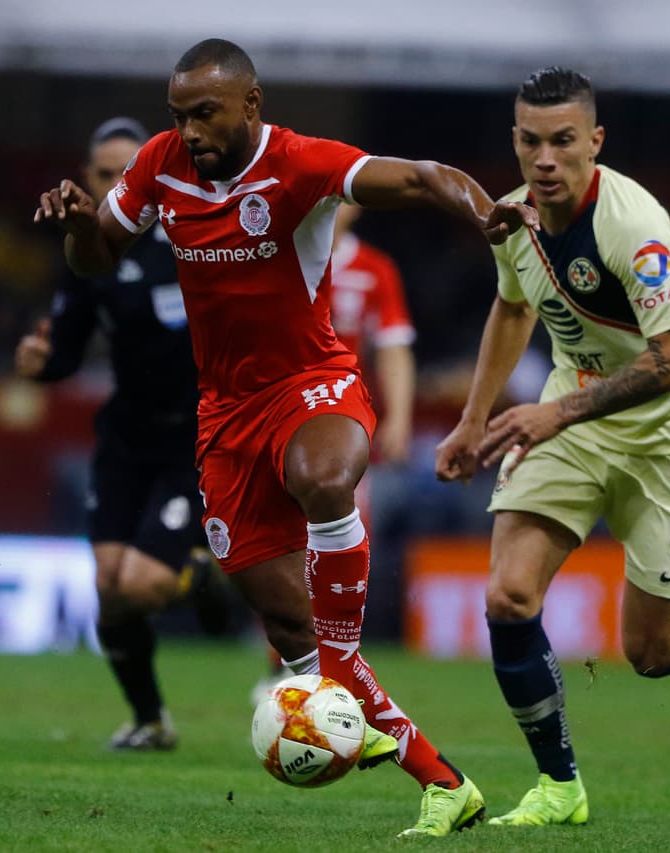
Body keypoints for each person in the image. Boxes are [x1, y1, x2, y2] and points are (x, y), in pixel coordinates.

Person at [32, 38, 536, 838]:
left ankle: (340, 655)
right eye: (180, 115)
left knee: (326, 478)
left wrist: (487, 214)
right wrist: (78, 224)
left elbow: (420, 176)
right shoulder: (160, 164)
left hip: (312, 382)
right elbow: (98, 258)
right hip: (223, 419)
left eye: (205, 113)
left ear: (250, 104)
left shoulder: (299, 162)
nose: (190, 130)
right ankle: (446, 784)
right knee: (296, 636)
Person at [434, 67, 670, 827]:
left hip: (662, 437)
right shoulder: (511, 219)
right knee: (508, 594)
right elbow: (511, 310)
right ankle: (559, 785)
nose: (546, 159)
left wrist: (559, 410)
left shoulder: (635, 226)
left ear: (594, 142)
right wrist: (475, 420)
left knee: (650, 651)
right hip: (565, 425)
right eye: (531, 142)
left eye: (564, 141)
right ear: (515, 142)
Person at [16, 116, 221, 751]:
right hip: (126, 435)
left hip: (192, 436)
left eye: (125, 173)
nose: (114, 185)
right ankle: (150, 720)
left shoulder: (194, 241)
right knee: (109, 588)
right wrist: (41, 362)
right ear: (86, 177)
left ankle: (206, 574)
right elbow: (68, 349)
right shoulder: (84, 253)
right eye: (103, 174)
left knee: (140, 584)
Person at [252, 203, 417, 700]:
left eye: (338, 195)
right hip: (274, 419)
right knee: (276, 546)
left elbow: (392, 346)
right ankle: (286, 664)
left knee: (329, 547)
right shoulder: (277, 257)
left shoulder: (374, 270)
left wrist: (401, 418)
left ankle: (330, 671)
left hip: (336, 429)